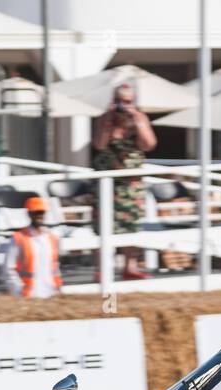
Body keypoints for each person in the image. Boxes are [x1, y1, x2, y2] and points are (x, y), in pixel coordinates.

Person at [92, 83, 157, 280]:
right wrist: (109, 124)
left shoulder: (140, 118)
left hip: (131, 182)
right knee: (104, 223)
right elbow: (99, 145)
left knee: (131, 223)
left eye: (127, 101)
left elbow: (149, 145)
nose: (123, 105)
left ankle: (130, 267)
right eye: (120, 101)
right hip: (107, 180)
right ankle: (102, 269)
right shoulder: (106, 118)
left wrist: (137, 122)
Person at [2, 196, 62, 298]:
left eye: (41, 212)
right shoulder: (18, 238)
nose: (39, 215)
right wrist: (19, 290)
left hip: (51, 295)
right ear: (29, 214)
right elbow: (8, 269)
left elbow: (55, 267)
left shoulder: (52, 238)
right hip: (29, 296)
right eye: (35, 212)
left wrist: (58, 288)